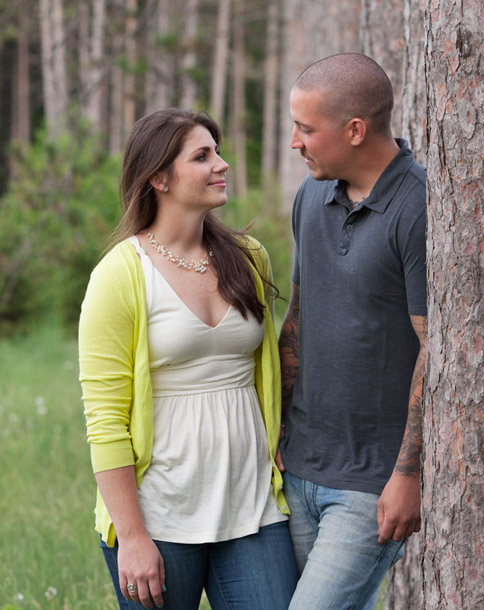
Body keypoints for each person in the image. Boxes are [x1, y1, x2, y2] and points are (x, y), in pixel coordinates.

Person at [78, 108, 298, 610]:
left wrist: (284, 433)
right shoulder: (120, 274)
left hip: (252, 508)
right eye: (202, 156)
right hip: (159, 515)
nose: (221, 164)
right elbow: (106, 420)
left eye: (217, 152)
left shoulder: (249, 256)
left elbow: (273, 363)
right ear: (159, 177)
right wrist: (132, 536)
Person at [277, 53, 427, 610]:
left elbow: (434, 350)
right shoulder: (311, 196)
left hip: (371, 484)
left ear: (355, 130)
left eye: (306, 128)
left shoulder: (419, 207)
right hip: (299, 467)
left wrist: (408, 474)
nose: (295, 142)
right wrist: (275, 431)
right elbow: (298, 317)